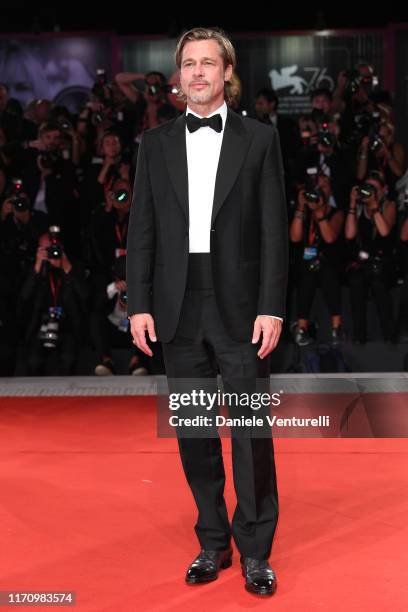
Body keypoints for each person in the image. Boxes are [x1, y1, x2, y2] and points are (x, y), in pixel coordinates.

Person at [126, 27, 288, 597]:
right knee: (194, 432)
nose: (197, 73)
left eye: (208, 64)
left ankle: (256, 551)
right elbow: (140, 230)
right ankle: (213, 541)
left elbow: (274, 233)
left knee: (248, 430)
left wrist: (272, 306)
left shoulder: (260, 139)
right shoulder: (155, 143)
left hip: (242, 307)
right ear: (180, 77)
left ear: (226, 73)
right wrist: (138, 303)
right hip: (176, 306)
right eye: (188, 65)